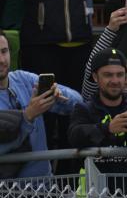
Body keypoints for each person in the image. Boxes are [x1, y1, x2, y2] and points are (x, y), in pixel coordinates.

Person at [0, 37, 83, 179]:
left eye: (4, 51)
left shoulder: (23, 79)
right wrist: (28, 116)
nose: (1, 60)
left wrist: (57, 95)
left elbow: (78, 103)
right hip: (7, 190)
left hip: (44, 186)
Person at [67, 49, 127, 170]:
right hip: (97, 182)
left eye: (120, 74)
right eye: (108, 75)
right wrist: (108, 128)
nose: (115, 81)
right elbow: (75, 137)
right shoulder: (84, 109)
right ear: (95, 77)